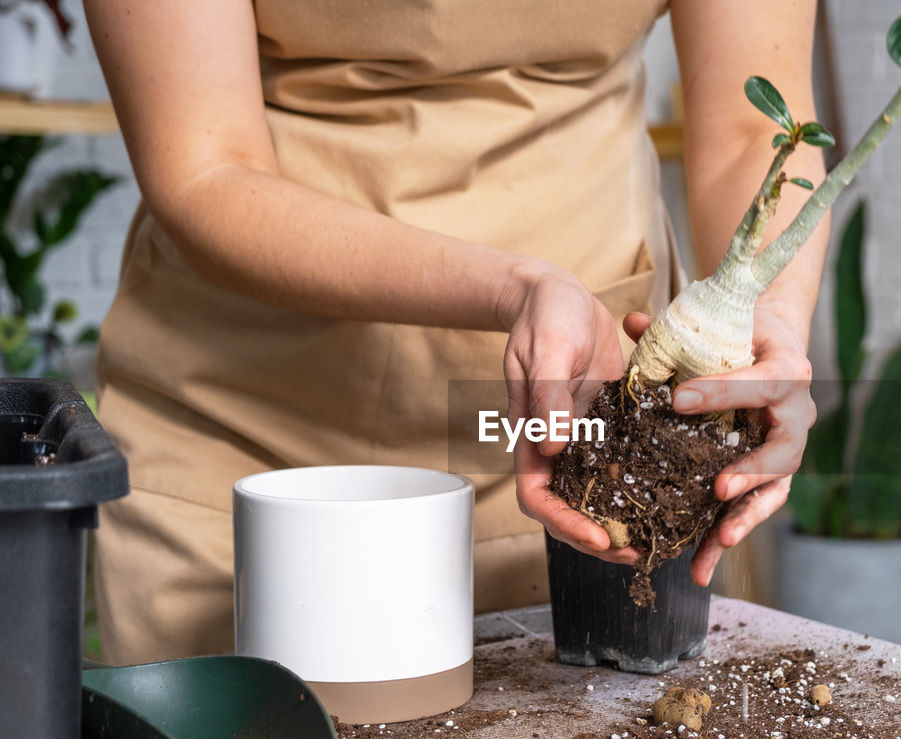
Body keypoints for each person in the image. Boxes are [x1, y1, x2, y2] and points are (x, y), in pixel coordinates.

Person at [85, 0, 827, 665]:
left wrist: (767, 331)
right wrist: (517, 288)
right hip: (246, 441)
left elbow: (753, 127)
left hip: (572, 440)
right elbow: (205, 168)